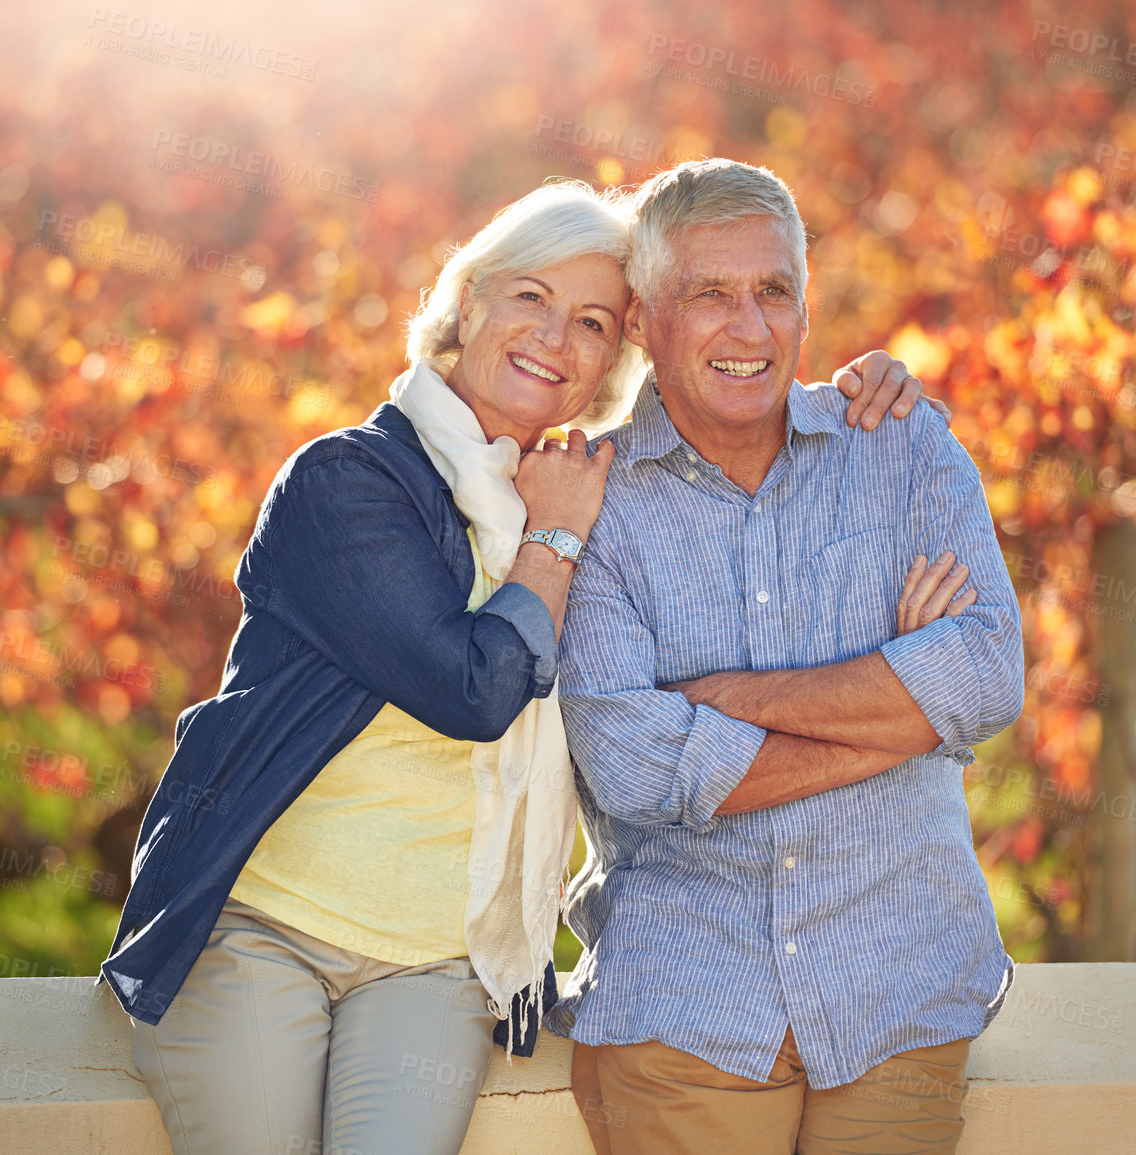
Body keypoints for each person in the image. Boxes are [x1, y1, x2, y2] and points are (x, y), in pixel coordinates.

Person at [97, 177, 938, 1155]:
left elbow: (729, 412)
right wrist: (552, 546)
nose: (555, 338)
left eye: (591, 322)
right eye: (531, 298)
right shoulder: (347, 483)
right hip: (260, 931)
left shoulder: (584, 493)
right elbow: (476, 689)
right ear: (468, 305)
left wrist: (861, 396)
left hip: (441, 966)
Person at [549, 158, 1024, 1155]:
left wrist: (726, 701)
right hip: (687, 995)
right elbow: (637, 766)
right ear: (642, 320)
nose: (750, 328)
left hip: (903, 980)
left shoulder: (900, 448)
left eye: (774, 292)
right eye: (709, 294)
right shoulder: (594, 503)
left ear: (808, 311)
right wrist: (902, 713)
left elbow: (984, 675)